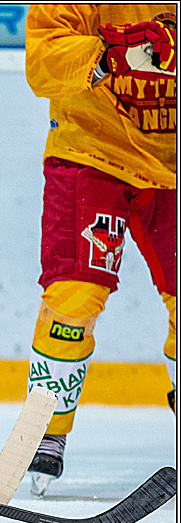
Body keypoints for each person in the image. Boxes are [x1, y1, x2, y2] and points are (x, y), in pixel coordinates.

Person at [23, 6, 176, 496]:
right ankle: (45, 429)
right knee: (74, 297)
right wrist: (112, 56)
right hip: (90, 155)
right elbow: (42, 63)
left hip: (173, 166)